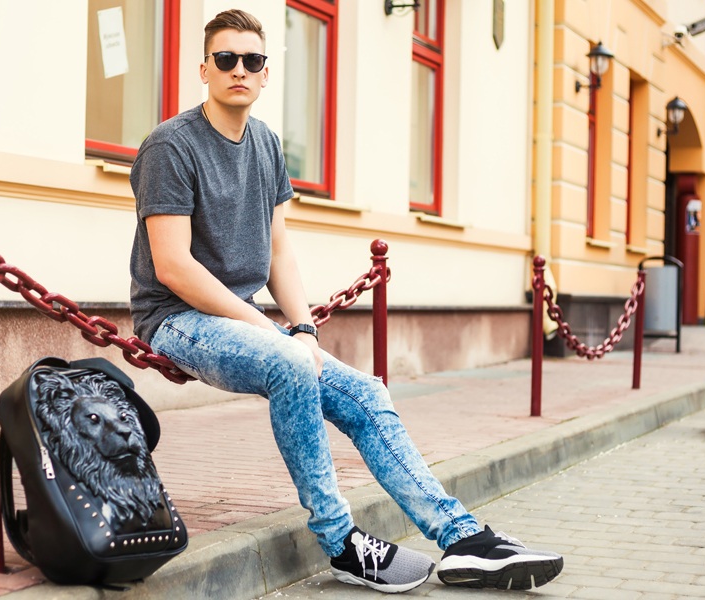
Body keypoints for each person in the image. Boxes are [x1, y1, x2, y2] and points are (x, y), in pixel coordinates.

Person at [129, 8, 563, 593]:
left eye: (252, 61)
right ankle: (340, 543)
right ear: (203, 69)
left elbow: (278, 248)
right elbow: (173, 266)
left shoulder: (265, 144)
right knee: (287, 364)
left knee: (365, 390)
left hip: (244, 319)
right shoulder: (170, 147)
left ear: (265, 75)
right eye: (225, 59)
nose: (239, 70)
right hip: (177, 320)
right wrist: (268, 330)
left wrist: (303, 328)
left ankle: (461, 539)